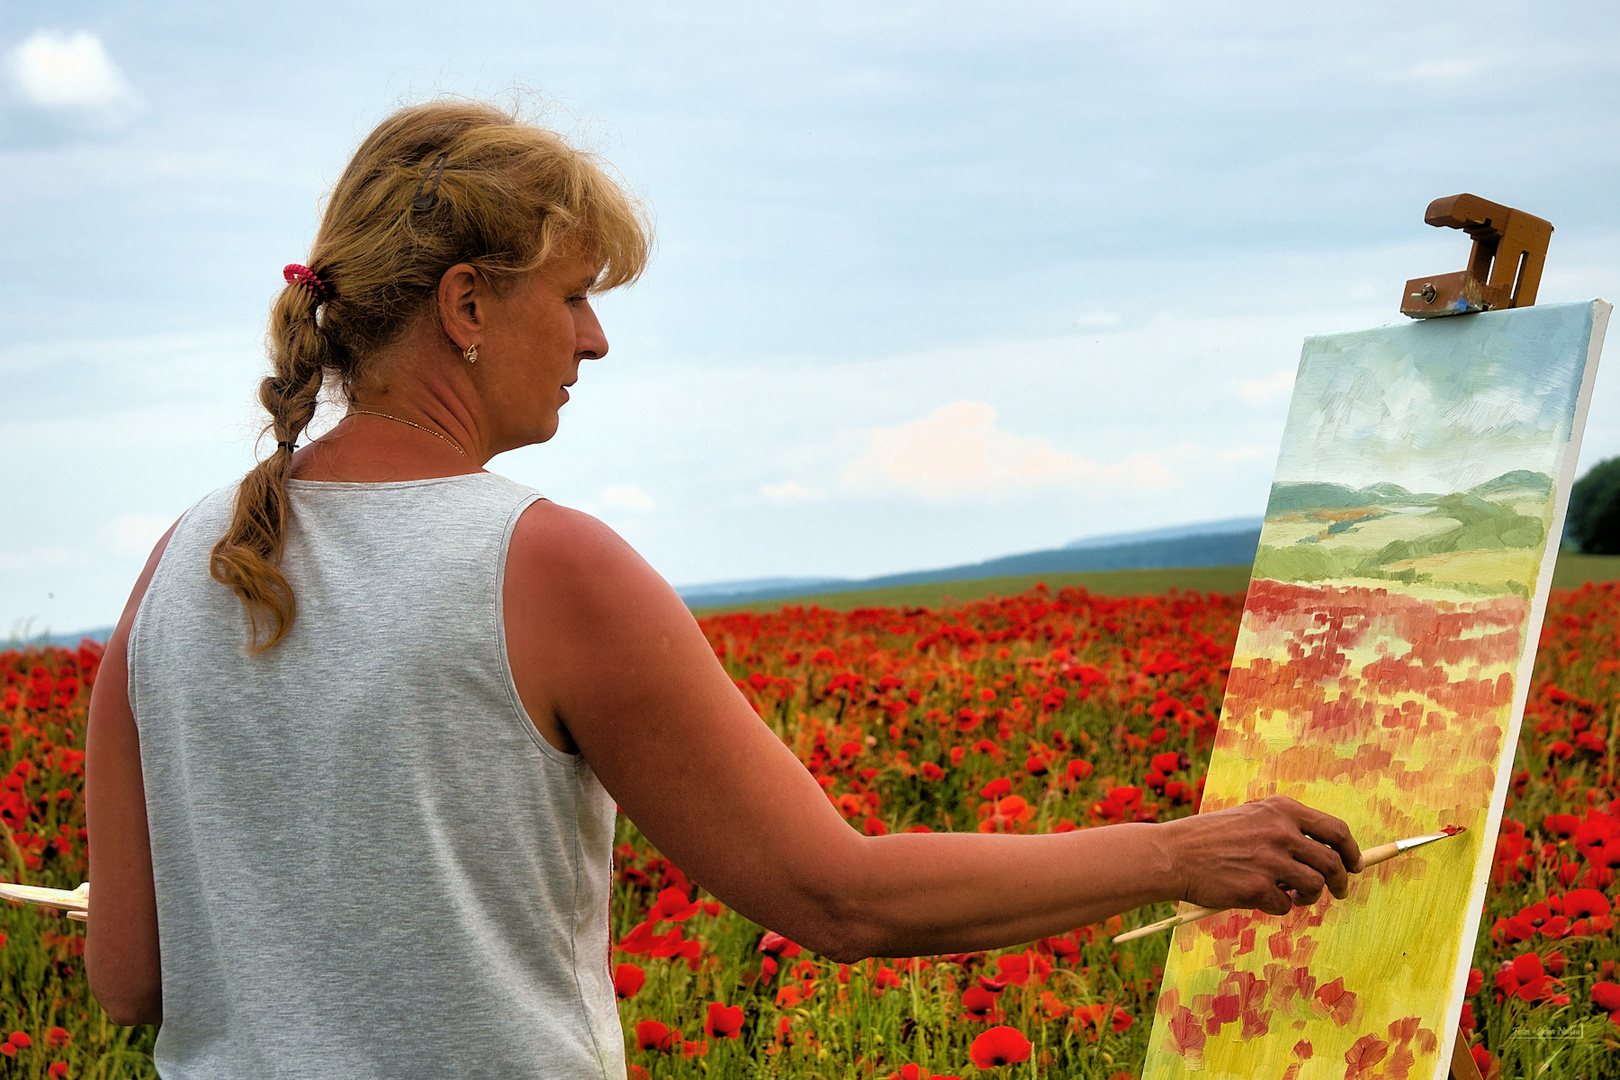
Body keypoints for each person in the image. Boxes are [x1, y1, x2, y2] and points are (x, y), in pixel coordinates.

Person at [84, 99, 1361, 1078]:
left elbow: (131, 981)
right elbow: (839, 897)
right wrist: (1179, 855)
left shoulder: (177, 566)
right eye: (576, 295)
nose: (595, 339)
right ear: (467, 304)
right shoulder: (545, 566)